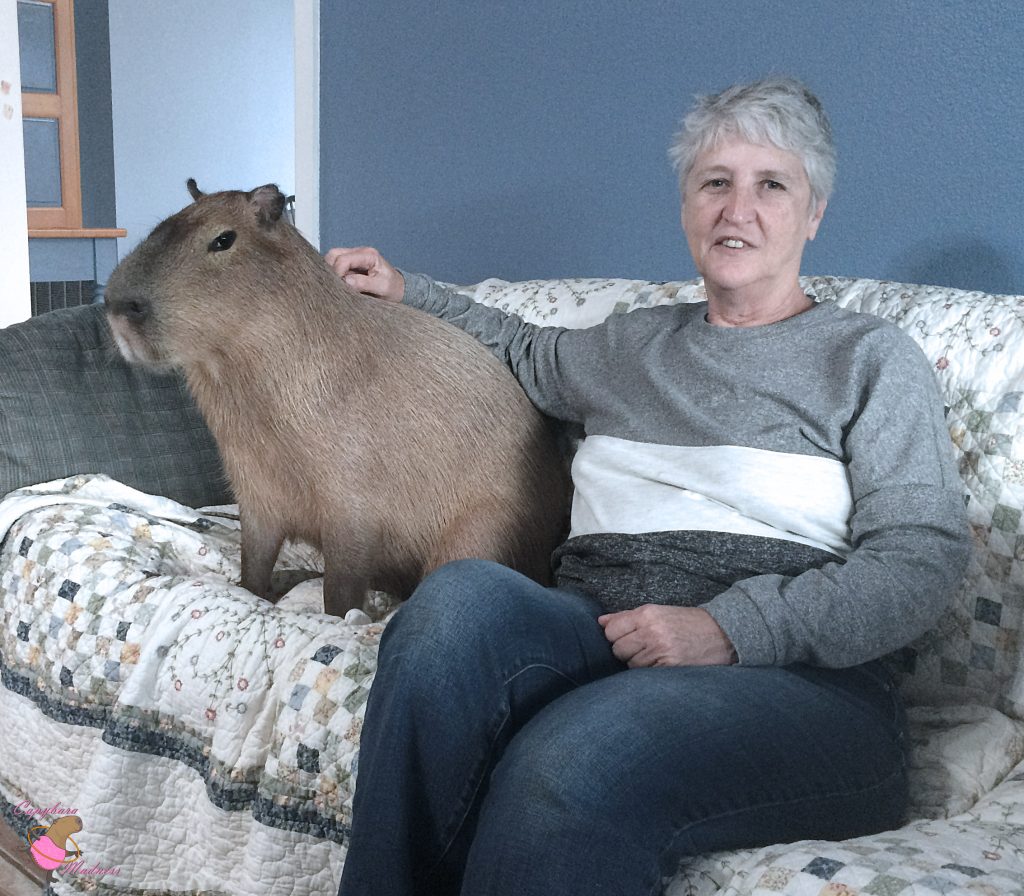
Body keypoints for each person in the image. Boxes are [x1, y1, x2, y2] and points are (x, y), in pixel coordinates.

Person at [325, 75, 970, 896]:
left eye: (772, 184)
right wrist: (405, 289)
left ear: (814, 215)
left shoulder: (867, 359)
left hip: (802, 687)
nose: (739, 209)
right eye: (715, 183)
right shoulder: (632, 344)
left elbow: (921, 559)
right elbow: (522, 350)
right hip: (597, 623)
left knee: (572, 757)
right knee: (450, 609)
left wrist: (728, 628)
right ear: (686, 208)